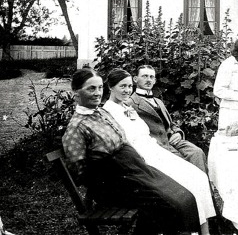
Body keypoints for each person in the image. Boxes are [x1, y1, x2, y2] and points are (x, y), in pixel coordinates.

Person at [61, 68, 201, 235]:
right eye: (91, 88)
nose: (97, 93)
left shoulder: (102, 113)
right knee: (168, 203)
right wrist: (109, 167)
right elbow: (79, 172)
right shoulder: (77, 127)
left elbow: (122, 137)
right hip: (113, 182)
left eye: (99, 88)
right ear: (76, 93)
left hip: (133, 169)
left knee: (183, 195)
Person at [102, 68, 216, 235]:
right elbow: (122, 142)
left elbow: (145, 130)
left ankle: (204, 232)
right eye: (122, 86)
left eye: (129, 86)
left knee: (199, 177)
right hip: (141, 157)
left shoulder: (125, 106)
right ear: (111, 87)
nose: (127, 90)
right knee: (187, 185)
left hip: (154, 150)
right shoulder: (109, 112)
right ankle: (190, 230)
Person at [128, 64, 208, 173]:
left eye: (151, 77)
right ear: (135, 79)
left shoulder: (158, 101)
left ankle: (203, 189)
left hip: (171, 140)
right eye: (144, 76)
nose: (148, 80)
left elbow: (170, 124)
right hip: (155, 145)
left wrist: (177, 132)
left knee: (197, 153)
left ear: (155, 80)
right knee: (182, 164)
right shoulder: (130, 103)